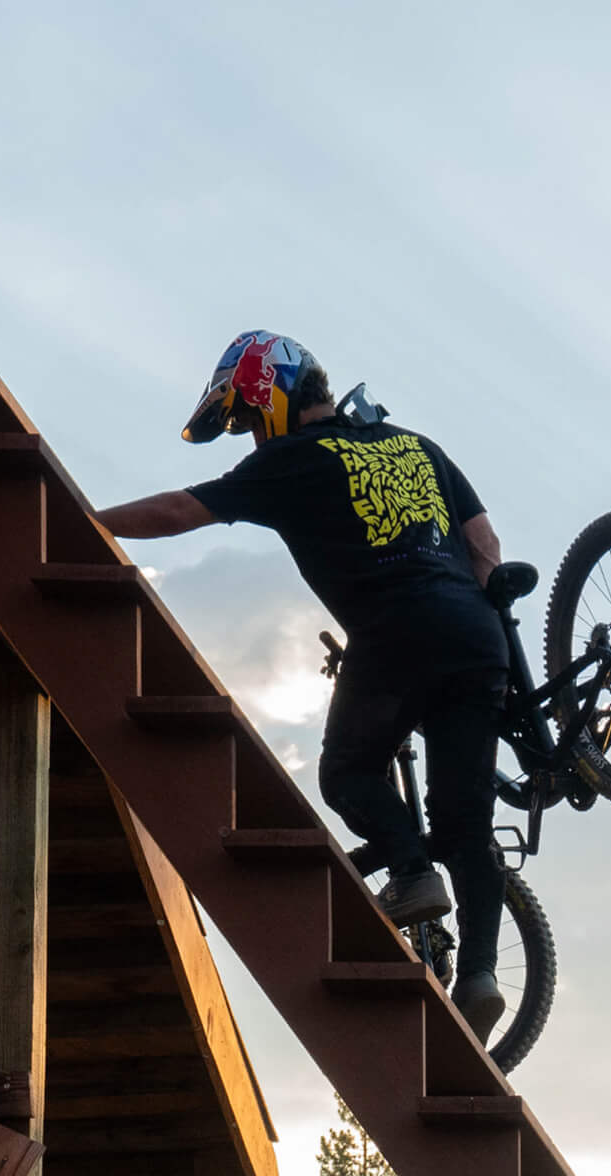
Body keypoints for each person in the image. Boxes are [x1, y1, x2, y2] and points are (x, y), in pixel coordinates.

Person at [95, 329, 514, 1045]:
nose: (253, 442)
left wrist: (89, 523)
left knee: (348, 771)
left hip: (394, 629)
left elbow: (177, 511)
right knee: (465, 820)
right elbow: (484, 545)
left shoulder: (295, 460)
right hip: (478, 638)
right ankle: (478, 974)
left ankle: (411, 871)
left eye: (250, 422)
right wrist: (469, 632)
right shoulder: (416, 444)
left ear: (275, 399)